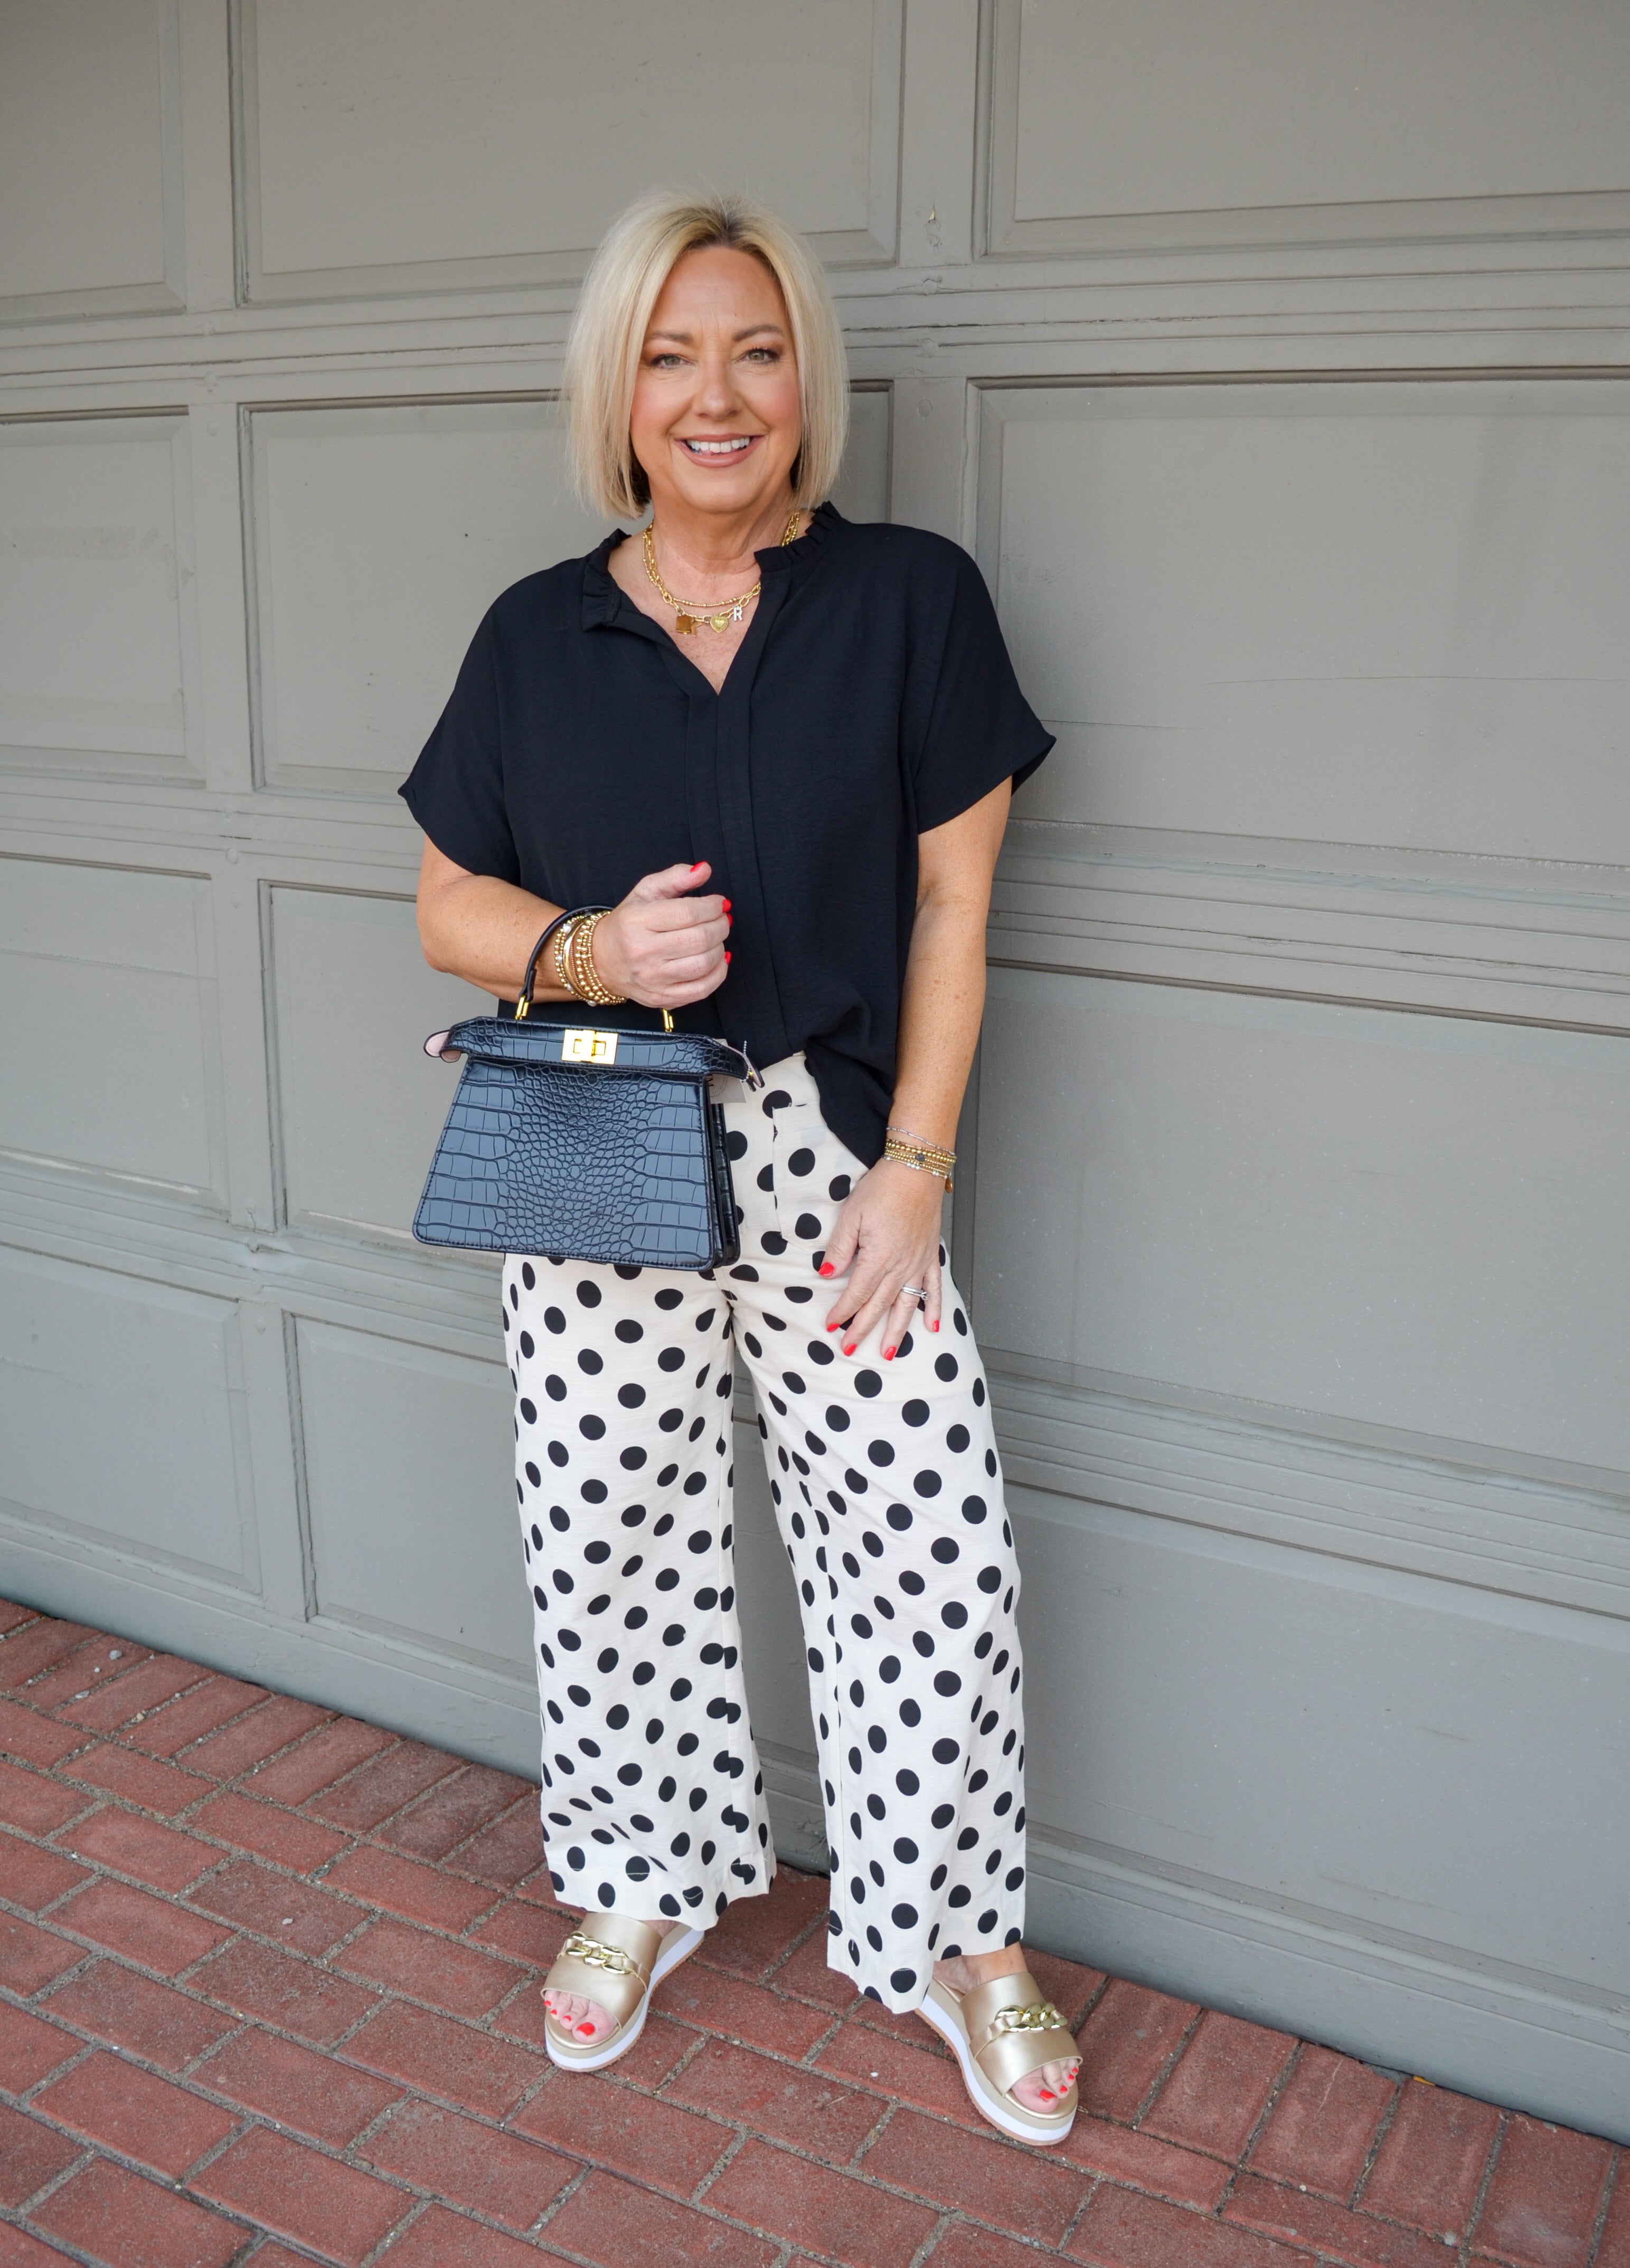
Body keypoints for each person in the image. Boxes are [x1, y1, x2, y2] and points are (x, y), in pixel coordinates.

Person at [402, 188, 1080, 2144]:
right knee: (605, 1535)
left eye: (759, 352)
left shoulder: (909, 602)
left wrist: (918, 1168)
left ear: (806, 383)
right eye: (674, 355)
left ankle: (963, 1937)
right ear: (617, 391)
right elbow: (445, 906)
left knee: (930, 1558)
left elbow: (955, 909)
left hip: (836, 1151)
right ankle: (637, 1877)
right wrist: (591, 949)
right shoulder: (537, 636)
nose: (719, 396)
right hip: (601, 1149)